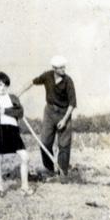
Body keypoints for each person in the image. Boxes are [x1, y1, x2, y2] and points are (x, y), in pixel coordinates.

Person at [28, 56, 77, 184]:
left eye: (64, 67)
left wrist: (64, 120)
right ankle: (49, 169)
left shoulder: (68, 81)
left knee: (64, 145)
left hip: (64, 112)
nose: (63, 69)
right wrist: (17, 94)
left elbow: (72, 103)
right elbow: (32, 82)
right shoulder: (47, 76)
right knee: (44, 142)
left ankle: (63, 173)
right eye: (60, 67)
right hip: (49, 112)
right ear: (54, 68)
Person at [0, 72, 33, 197]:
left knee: (25, 157)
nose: (2, 88)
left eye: (5, 85)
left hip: (13, 130)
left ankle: (25, 187)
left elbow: (20, 112)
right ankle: (0, 189)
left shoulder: (13, 98)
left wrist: (5, 111)